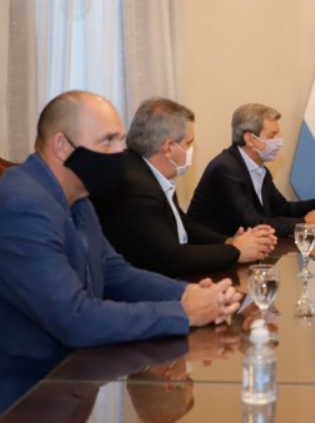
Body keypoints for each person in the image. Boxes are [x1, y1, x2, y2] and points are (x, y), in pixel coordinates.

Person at [0, 91, 241, 398]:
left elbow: (116, 273)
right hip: (29, 396)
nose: (120, 153)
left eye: (120, 140)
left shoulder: (79, 197)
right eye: (107, 141)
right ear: (61, 145)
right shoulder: (23, 203)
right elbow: (74, 318)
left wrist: (189, 293)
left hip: (79, 379)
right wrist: (183, 313)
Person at [92, 98, 277, 278]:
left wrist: (229, 241)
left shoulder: (150, 174)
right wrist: (235, 251)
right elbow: (172, 258)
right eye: (188, 143)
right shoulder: (136, 186)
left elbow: (185, 225)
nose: (190, 149)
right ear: (168, 148)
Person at [188, 103, 315, 237]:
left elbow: (282, 209)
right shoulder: (225, 169)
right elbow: (251, 224)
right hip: (211, 253)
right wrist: (305, 223)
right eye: (272, 136)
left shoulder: (261, 170)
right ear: (250, 139)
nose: (279, 142)